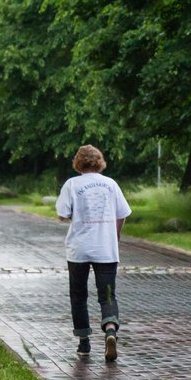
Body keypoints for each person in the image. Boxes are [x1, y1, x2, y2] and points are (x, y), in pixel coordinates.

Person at [56, 145, 132, 362]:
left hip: (79, 249)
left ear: (78, 163)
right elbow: (122, 214)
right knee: (107, 293)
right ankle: (110, 329)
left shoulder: (72, 184)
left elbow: (63, 214)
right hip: (105, 248)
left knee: (78, 295)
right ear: (100, 162)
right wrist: (114, 235)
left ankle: (84, 343)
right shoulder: (111, 184)